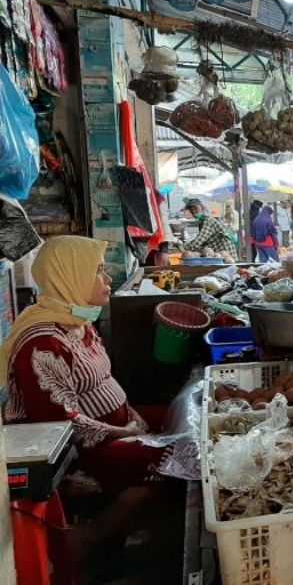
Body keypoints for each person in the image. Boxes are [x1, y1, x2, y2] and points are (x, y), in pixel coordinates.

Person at [1, 237, 174, 565]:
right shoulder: (42, 343)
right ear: (70, 277)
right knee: (177, 455)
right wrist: (124, 432)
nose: (107, 279)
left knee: (184, 414)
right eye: (97, 271)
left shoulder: (79, 323)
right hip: (81, 455)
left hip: (118, 430)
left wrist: (132, 417)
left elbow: (108, 384)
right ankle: (93, 538)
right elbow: (62, 423)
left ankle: (127, 531)